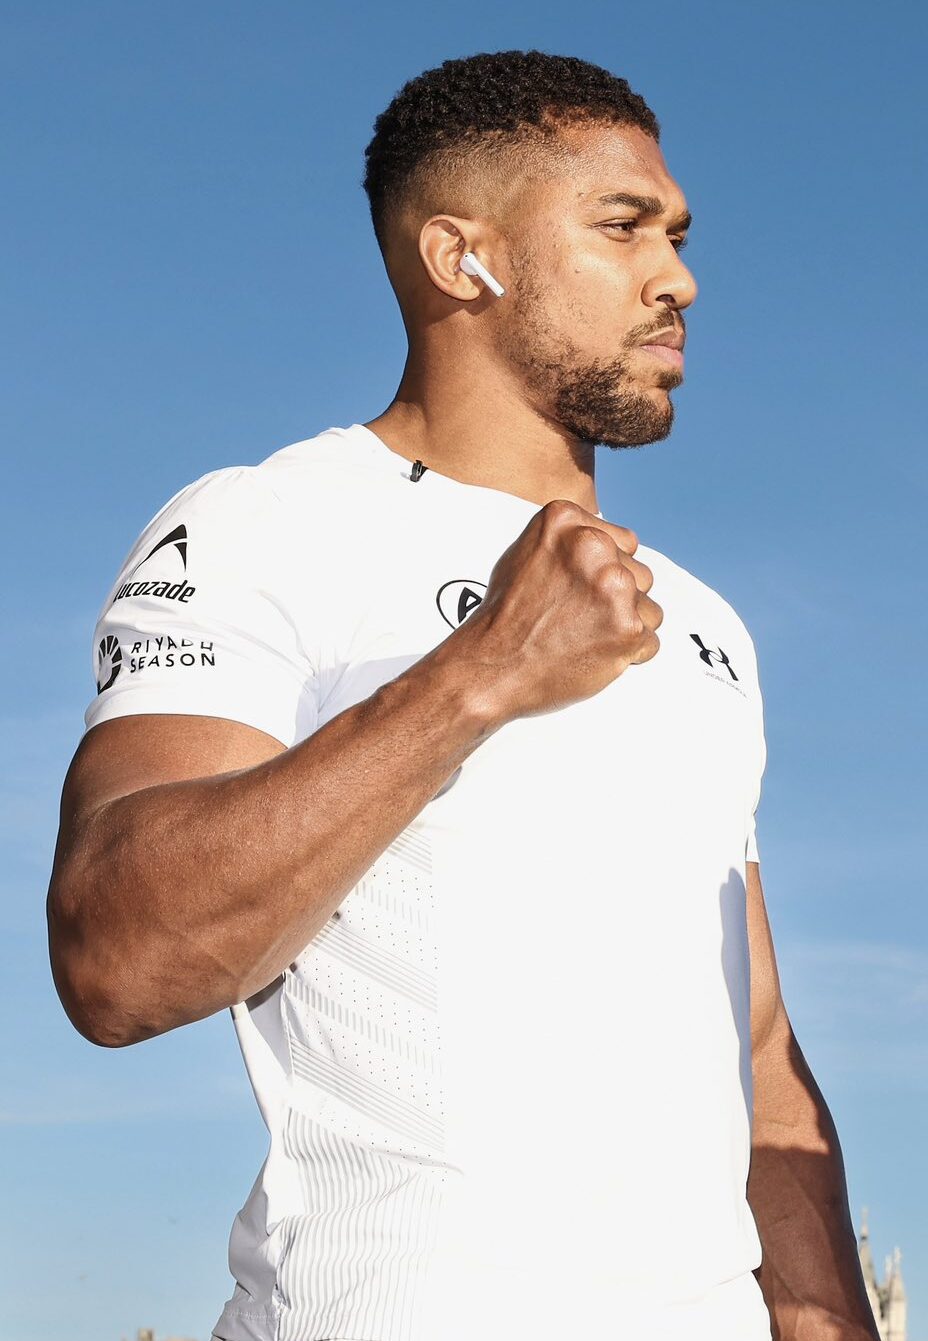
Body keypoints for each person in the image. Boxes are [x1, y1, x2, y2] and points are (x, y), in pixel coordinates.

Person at [46, 51, 877, 1340]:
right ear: (461, 259)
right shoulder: (262, 526)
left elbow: (758, 1061)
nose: (680, 277)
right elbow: (116, 959)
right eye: (622, 227)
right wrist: (483, 671)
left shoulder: (705, 623)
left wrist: (826, 1317)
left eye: (677, 234)